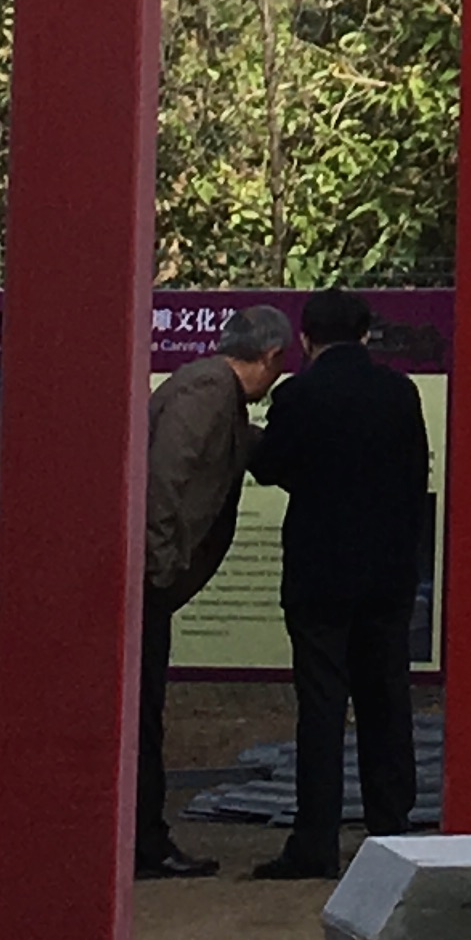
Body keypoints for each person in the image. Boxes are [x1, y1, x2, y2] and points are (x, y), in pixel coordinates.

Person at [247, 292, 434, 882]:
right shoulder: (399, 394)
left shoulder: (299, 395)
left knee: (322, 707)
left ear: (306, 340)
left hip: (320, 575)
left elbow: (270, 467)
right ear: (366, 334)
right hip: (387, 574)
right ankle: (390, 828)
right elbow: (415, 474)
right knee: (387, 700)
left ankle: (316, 842)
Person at [139, 306, 295, 882]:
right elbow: (164, 478)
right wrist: (157, 569)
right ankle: (144, 842)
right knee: (142, 714)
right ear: (272, 356)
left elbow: (231, 448)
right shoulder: (208, 391)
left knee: (145, 712)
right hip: (145, 582)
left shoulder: (216, 396)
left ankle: (143, 837)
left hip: (151, 579)